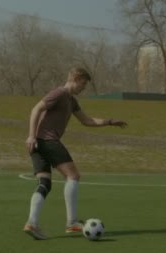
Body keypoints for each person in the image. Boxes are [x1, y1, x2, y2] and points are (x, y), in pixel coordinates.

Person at [23, 67, 128, 240]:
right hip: (46, 141)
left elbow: (87, 120)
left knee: (44, 183)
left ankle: (31, 223)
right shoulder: (59, 93)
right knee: (73, 176)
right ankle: (72, 223)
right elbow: (36, 109)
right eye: (84, 84)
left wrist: (109, 122)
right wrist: (31, 135)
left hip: (38, 144)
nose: (84, 88)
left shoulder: (71, 101)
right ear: (76, 78)